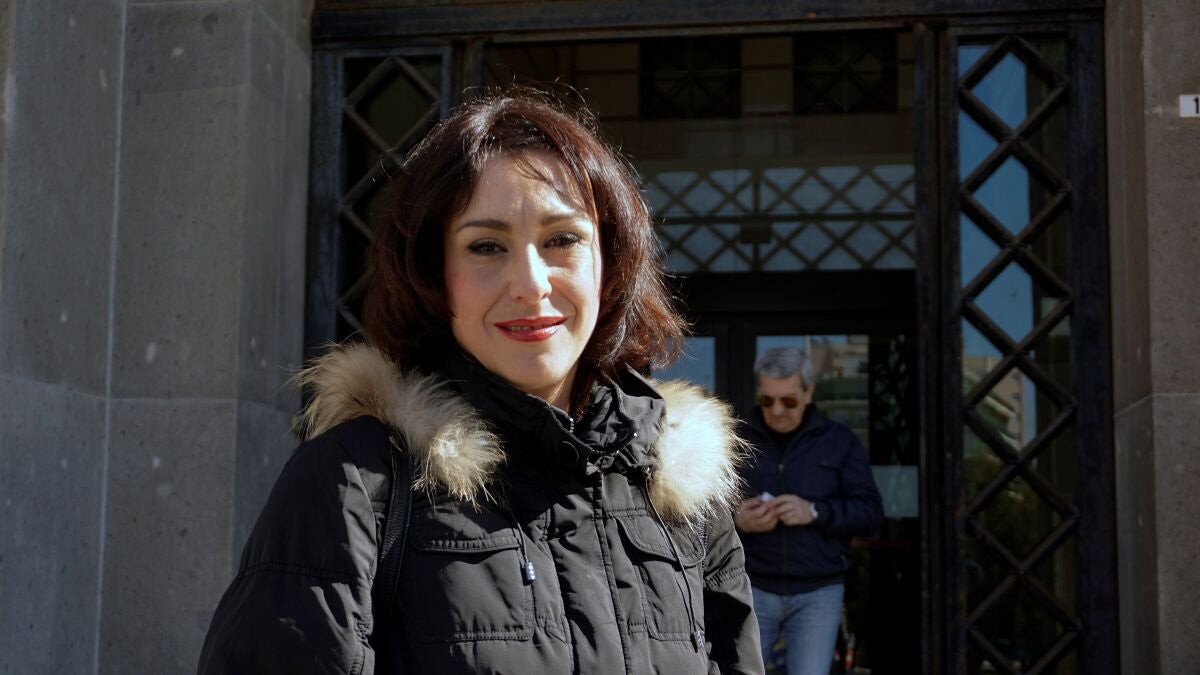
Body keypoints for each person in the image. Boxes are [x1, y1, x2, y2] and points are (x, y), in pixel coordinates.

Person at [198, 91, 763, 674]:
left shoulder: (681, 495)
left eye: (562, 240)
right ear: (434, 275)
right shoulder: (355, 481)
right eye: (486, 246)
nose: (531, 284)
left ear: (610, 260)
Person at [733, 347, 883, 675]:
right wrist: (736, 520)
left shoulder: (839, 442)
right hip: (751, 586)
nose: (777, 410)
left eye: (788, 401)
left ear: (809, 392)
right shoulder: (736, 440)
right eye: (767, 400)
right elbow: (700, 510)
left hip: (818, 591)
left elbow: (870, 513)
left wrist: (814, 512)